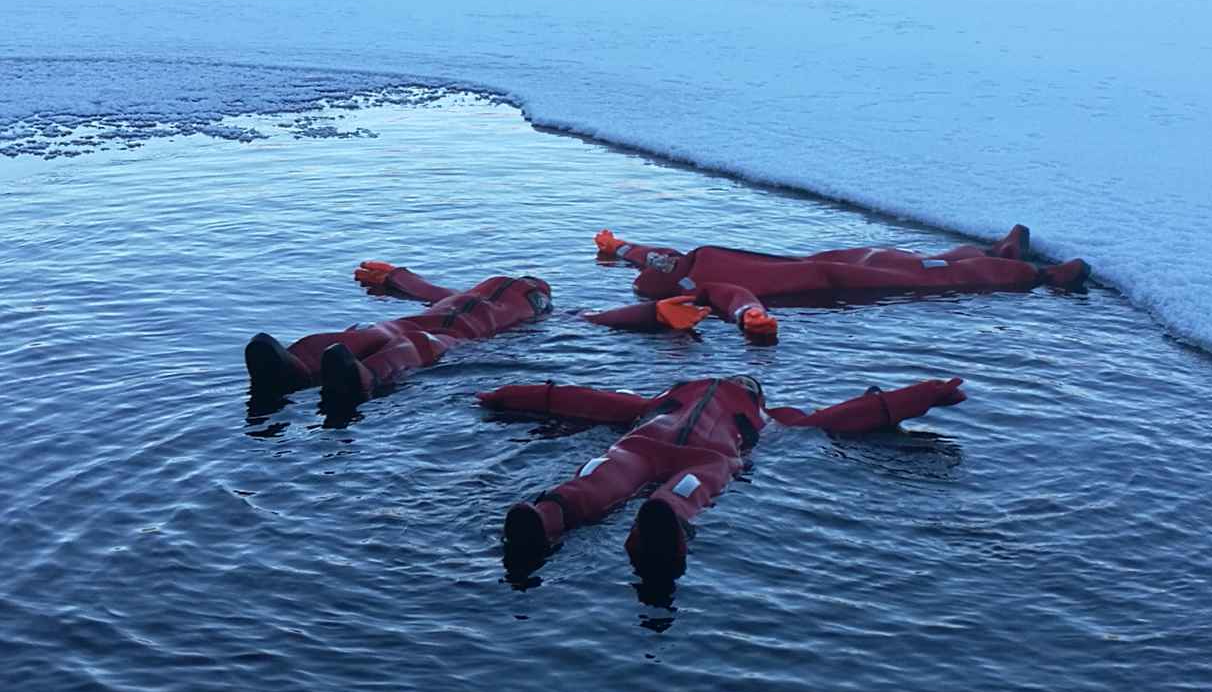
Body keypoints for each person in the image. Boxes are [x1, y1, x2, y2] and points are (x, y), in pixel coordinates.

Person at [482, 374, 967, 580]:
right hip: (708, 458)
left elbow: (579, 400)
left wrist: (508, 394)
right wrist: (922, 394)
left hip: (640, 445)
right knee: (690, 492)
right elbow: (844, 416)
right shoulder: (769, 418)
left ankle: (544, 517)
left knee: (593, 482)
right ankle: (664, 520)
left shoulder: (662, 401)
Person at [587, 224, 1089, 343]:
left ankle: (1019, 265)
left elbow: (647, 258)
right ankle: (1024, 267)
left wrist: (618, 248)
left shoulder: (682, 271)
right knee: (924, 272)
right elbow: (730, 296)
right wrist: (750, 319)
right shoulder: (688, 276)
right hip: (828, 271)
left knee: (921, 269)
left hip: (829, 269)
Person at [244, 264, 552, 412]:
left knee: (414, 342)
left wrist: (395, 276)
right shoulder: (460, 297)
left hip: (451, 337)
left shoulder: (537, 314)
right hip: (423, 325)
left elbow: (425, 290)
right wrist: (394, 275)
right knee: (375, 334)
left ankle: (358, 375)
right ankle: (293, 365)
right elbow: (427, 290)